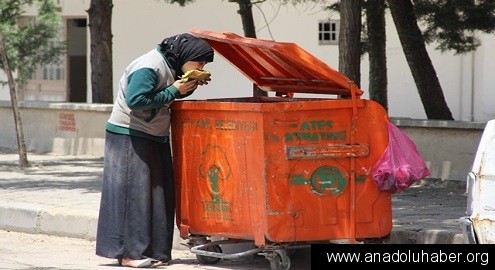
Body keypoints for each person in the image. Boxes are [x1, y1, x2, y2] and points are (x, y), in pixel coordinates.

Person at [95, 33, 214, 268]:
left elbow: (165, 95)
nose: (201, 67)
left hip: (154, 135)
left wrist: (187, 87)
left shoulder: (173, 67)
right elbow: (137, 100)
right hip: (128, 135)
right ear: (185, 56)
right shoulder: (149, 66)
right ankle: (130, 254)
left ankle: (157, 252)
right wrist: (174, 91)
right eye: (199, 62)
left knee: (160, 195)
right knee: (134, 196)